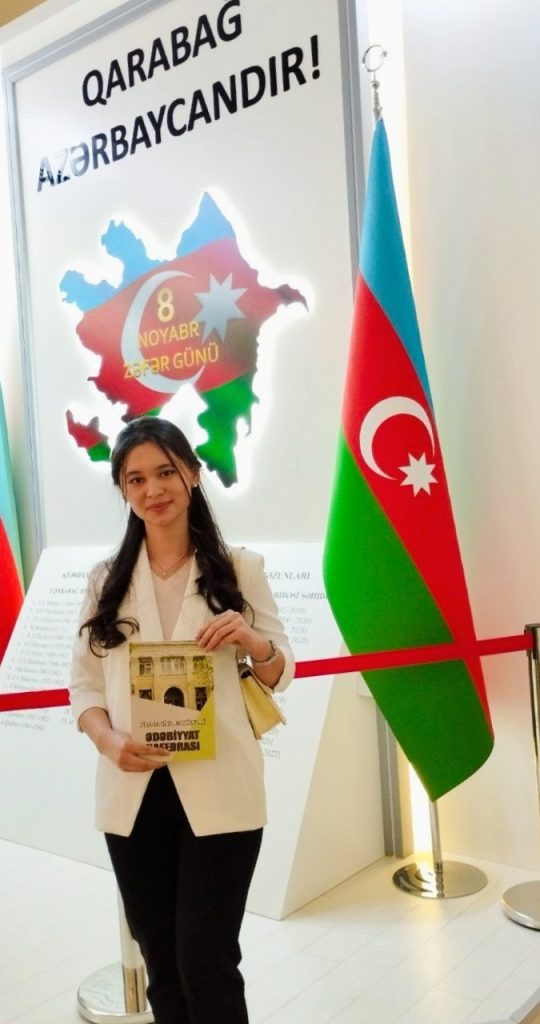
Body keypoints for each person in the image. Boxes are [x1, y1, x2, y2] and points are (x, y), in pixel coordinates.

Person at [70, 416, 294, 1024]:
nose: (153, 489)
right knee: (162, 964)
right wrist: (108, 739)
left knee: (207, 960)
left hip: (220, 788)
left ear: (192, 474)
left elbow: (279, 670)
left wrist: (251, 640)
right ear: (123, 491)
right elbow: (85, 687)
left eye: (166, 472)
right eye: (135, 478)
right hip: (134, 790)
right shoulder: (104, 583)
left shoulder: (239, 570)